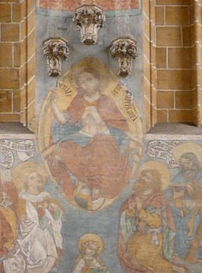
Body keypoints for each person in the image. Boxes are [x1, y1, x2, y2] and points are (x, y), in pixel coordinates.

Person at [45, 60, 136, 209]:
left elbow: (119, 122)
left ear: (98, 81)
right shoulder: (78, 101)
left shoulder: (106, 100)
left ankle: (96, 187)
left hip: (104, 137)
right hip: (82, 137)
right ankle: (81, 184)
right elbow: (62, 120)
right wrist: (54, 104)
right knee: (63, 149)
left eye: (89, 80)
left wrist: (133, 137)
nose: (85, 84)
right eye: (81, 82)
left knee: (100, 143)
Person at [118, 162, 188, 273]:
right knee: (130, 254)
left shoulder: (158, 199)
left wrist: (140, 211)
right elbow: (127, 218)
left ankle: (175, 269)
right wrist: (129, 212)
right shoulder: (134, 197)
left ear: (153, 181)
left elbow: (156, 222)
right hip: (140, 234)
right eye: (143, 176)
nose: (143, 179)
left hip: (154, 236)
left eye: (147, 177)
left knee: (143, 255)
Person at [0, 160, 64, 273]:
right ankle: (27, 272)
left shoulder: (45, 196)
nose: (36, 180)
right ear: (25, 181)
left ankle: (36, 272)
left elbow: (57, 214)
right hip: (28, 232)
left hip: (43, 232)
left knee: (45, 256)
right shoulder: (21, 198)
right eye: (32, 178)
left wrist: (49, 208)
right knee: (35, 253)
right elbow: (20, 217)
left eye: (38, 178)